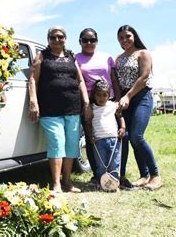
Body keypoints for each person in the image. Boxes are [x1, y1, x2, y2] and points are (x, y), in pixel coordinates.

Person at [28, 26, 91, 193]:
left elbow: (80, 81)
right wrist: (33, 102)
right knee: (57, 143)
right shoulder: (42, 56)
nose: (57, 40)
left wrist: (86, 102)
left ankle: (68, 181)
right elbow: (33, 79)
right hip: (50, 109)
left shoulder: (71, 56)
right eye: (53, 37)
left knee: (71, 146)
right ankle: (56, 184)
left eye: (60, 37)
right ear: (48, 39)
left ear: (65, 38)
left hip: (73, 108)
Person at [116, 25, 162, 190]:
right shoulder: (119, 58)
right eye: (121, 38)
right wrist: (119, 99)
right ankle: (143, 175)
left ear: (134, 36)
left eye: (128, 36)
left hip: (141, 97)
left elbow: (144, 77)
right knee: (125, 137)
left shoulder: (143, 53)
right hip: (124, 99)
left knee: (137, 136)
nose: (124, 40)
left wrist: (128, 96)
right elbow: (117, 81)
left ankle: (155, 175)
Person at [75, 28, 121, 185]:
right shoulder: (76, 58)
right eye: (85, 40)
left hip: (109, 101)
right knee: (92, 138)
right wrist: (86, 104)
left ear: (97, 41)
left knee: (115, 135)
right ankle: (98, 175)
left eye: (92, 40)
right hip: (88, 103)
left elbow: (114, 80)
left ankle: (116, 175)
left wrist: (119, 100)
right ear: (80, 41)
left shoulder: (106, 57)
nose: (89, 43)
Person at [84, 80, 125, 192]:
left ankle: (114, 185)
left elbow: (120, 116)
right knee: (101, 165)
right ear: (93, 95)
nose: (101, 98)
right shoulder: (91, 108)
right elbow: (88, 123)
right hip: (98, 142)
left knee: (114, 164)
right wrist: (90, 135)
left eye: (105, 95)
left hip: (114, 140)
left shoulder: (112, 106)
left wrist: (122, 128)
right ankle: (102, 184)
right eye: (98, 95)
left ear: (109, 95)